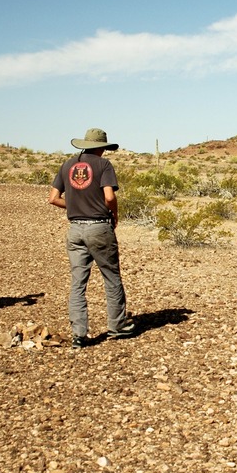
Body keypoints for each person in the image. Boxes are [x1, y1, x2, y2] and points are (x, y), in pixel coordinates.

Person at [49, 128, 134, 348]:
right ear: (102, 148)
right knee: (111, 277)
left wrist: (77, 206)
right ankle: (117, 326)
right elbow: (109, 196)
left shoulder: (67, 165)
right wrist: (114, 214)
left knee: (78, 282)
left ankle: (78, 334)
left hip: (75, 229)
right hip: (99, 227)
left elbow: (53, 198)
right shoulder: (103, 165)